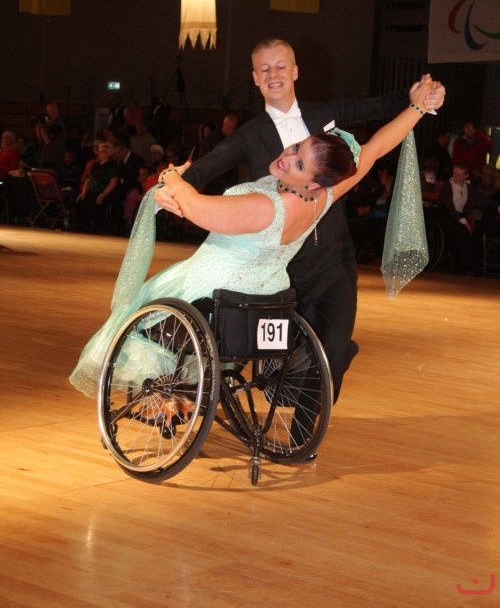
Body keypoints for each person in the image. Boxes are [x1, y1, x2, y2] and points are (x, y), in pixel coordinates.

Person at [70, 76, 438, 399]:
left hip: (212, 291)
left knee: (136, 323)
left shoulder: (266, 208)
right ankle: (180, 399)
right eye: (296, 148)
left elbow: (196, 207)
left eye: (298, 164)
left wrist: (169, 177)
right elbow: (376, 147)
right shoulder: (324, 195)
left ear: (312, 182)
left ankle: (171, 396)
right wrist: (418, 109)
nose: (287, 158)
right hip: (262, 297)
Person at [159, 38, 446, 403]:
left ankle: (306, 425)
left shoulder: (326, 114)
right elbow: (205, 168)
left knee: (334, 349)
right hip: (281, 271)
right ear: (255, 77)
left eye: (281, 66)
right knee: (262, 361)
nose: (273, 75)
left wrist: (420, 99)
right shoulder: (249, 134)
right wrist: (170, 184)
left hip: (332, 260)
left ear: (295, 71)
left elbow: (377, 113)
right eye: (264, 69)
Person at [438, 162, 483, 274]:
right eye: (454, 173)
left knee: (473, 233)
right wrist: (464, 222)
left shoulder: (468, 187)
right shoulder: (447, 186)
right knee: (462, 231)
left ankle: (469, 265)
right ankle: (472, 267)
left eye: (459, 175)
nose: (455, 177)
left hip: (458, 216)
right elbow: (450, 208)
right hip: (445, 215)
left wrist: (497, 206)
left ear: (466, 176)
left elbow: (483, 198)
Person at [75, 142, 120, 233]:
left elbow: (113, 181)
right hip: (93, 190)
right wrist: (83, 192)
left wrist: (103, 194)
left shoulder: (113, 165)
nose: (100, 154)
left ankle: (97, 227)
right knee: (81, 200)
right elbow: (88, 180)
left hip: (105, 190)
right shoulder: (95, 165)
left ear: (109, 153)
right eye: (99, 151)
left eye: (103, 152)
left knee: (95, 201)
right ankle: (83, 226)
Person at [34, 102, 66, 169]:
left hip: (53, 160)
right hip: (46, 158)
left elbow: (47, 140)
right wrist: (37, 127)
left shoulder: (58, 125)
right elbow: (40, 139)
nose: (48, 114)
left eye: (49, 112)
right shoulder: (50, 125)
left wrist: (42, 128)